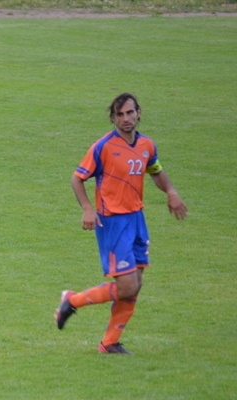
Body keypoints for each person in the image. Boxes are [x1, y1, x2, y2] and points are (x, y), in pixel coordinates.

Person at [55, 93, 188, 354]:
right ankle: (72, 300)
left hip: (137, 220)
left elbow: (156, 170)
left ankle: (109, 343)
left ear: (138, 113)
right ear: (113, 118)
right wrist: (87, 208)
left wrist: (171, 192)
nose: (126, 118)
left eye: (130, 112)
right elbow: (77, 178)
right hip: (113, 222)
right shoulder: (103, 146)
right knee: (127, 285)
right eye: (120, 114)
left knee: (135, 284)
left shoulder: (147, 145)